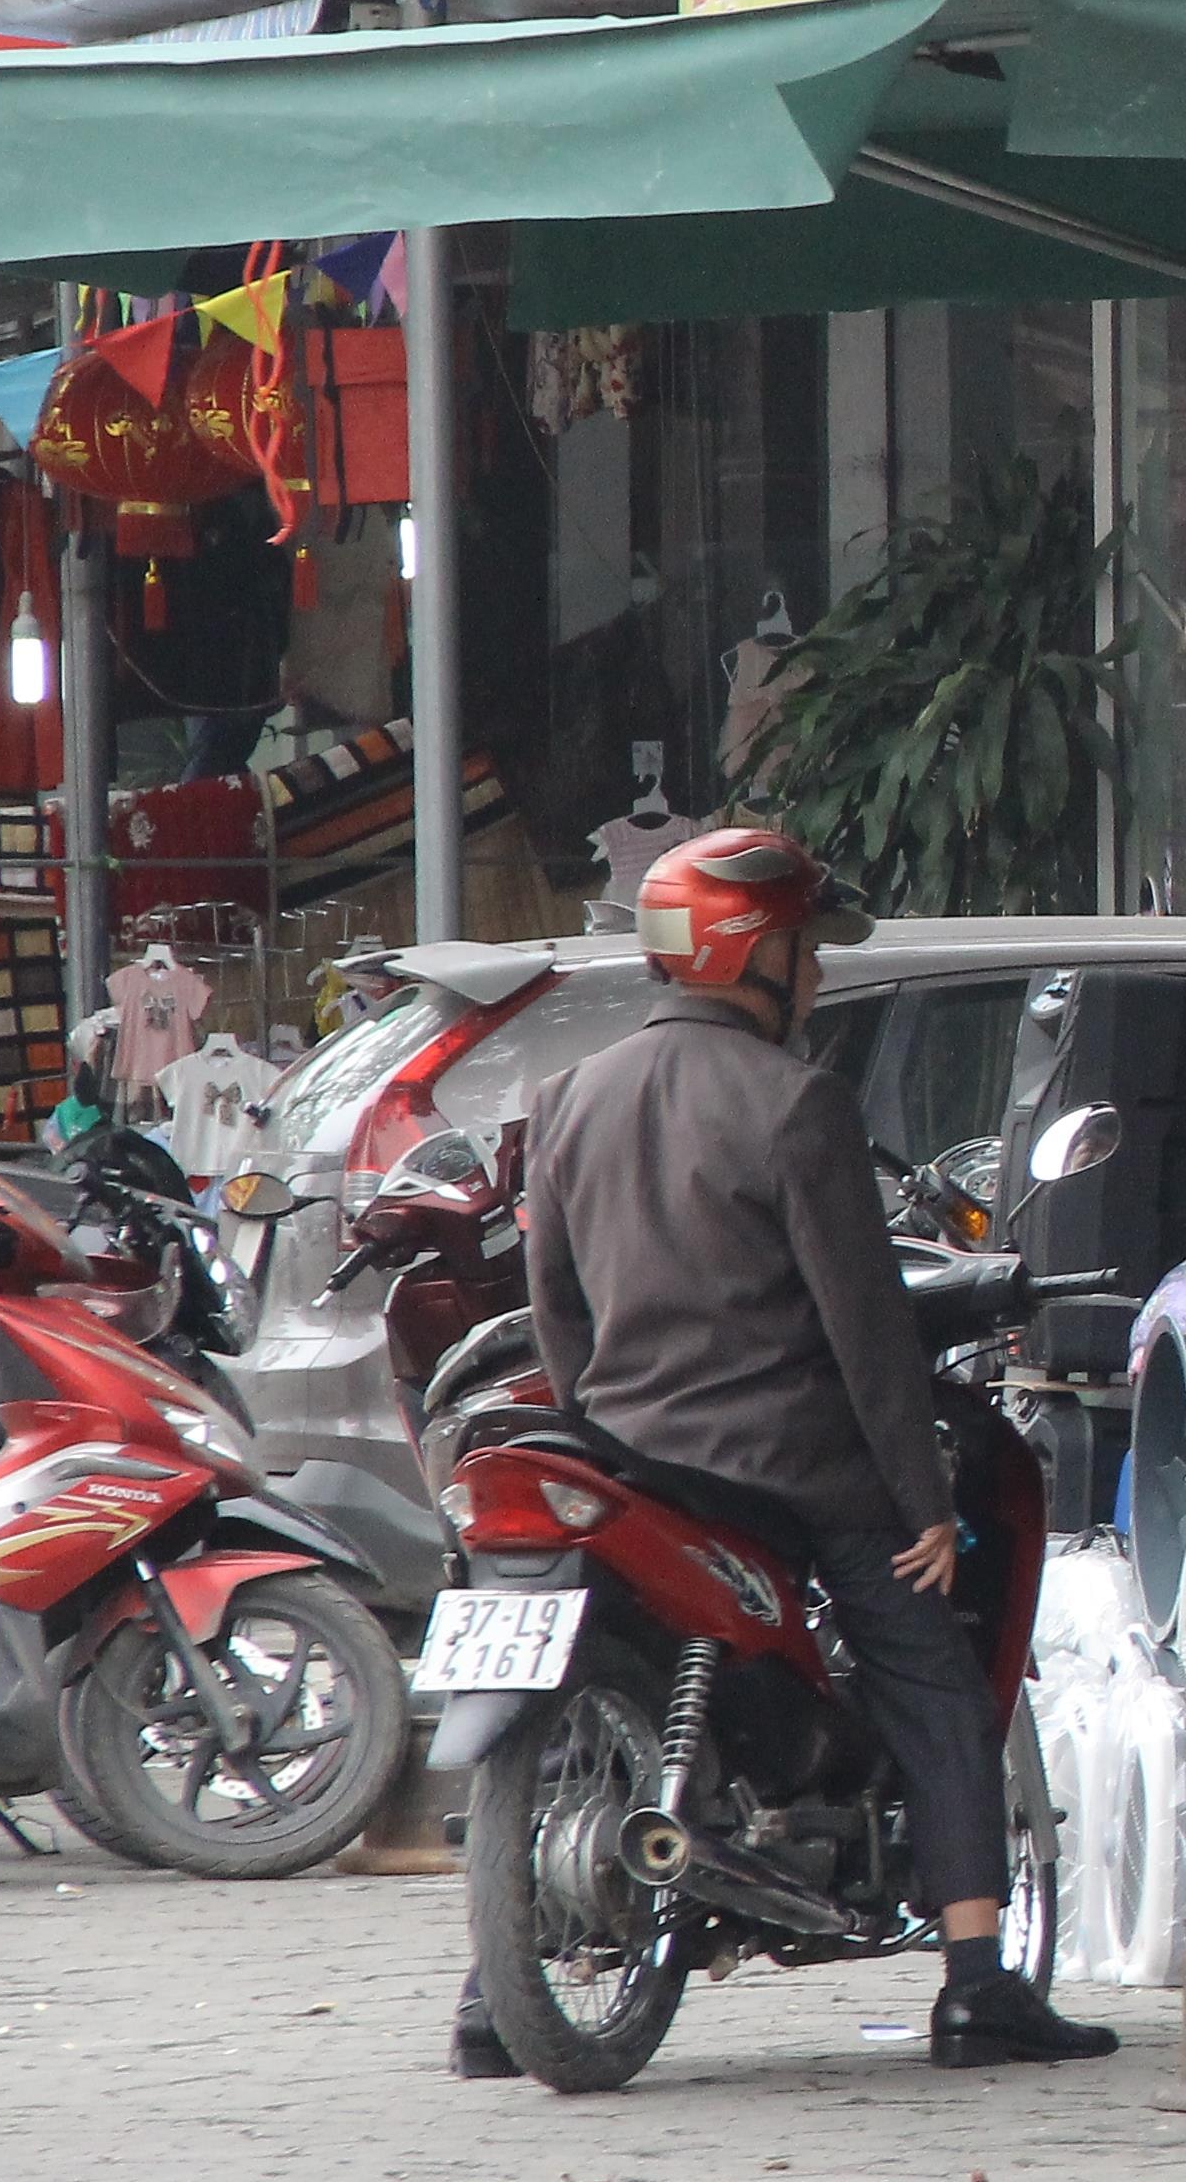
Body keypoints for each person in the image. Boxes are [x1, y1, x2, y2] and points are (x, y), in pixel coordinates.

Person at [458, 826, 1112, 2079]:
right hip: (791, 1468)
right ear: (757, 955)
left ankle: (495, 1992)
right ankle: (980, 1980)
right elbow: (866, 1329)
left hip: (625, 1457)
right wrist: (921, 1501)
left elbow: (556, 1307)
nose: (815, 978)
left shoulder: (568, 1099)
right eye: (808, 951)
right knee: (934, 1665)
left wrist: (608, 1411)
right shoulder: (797, 1104)